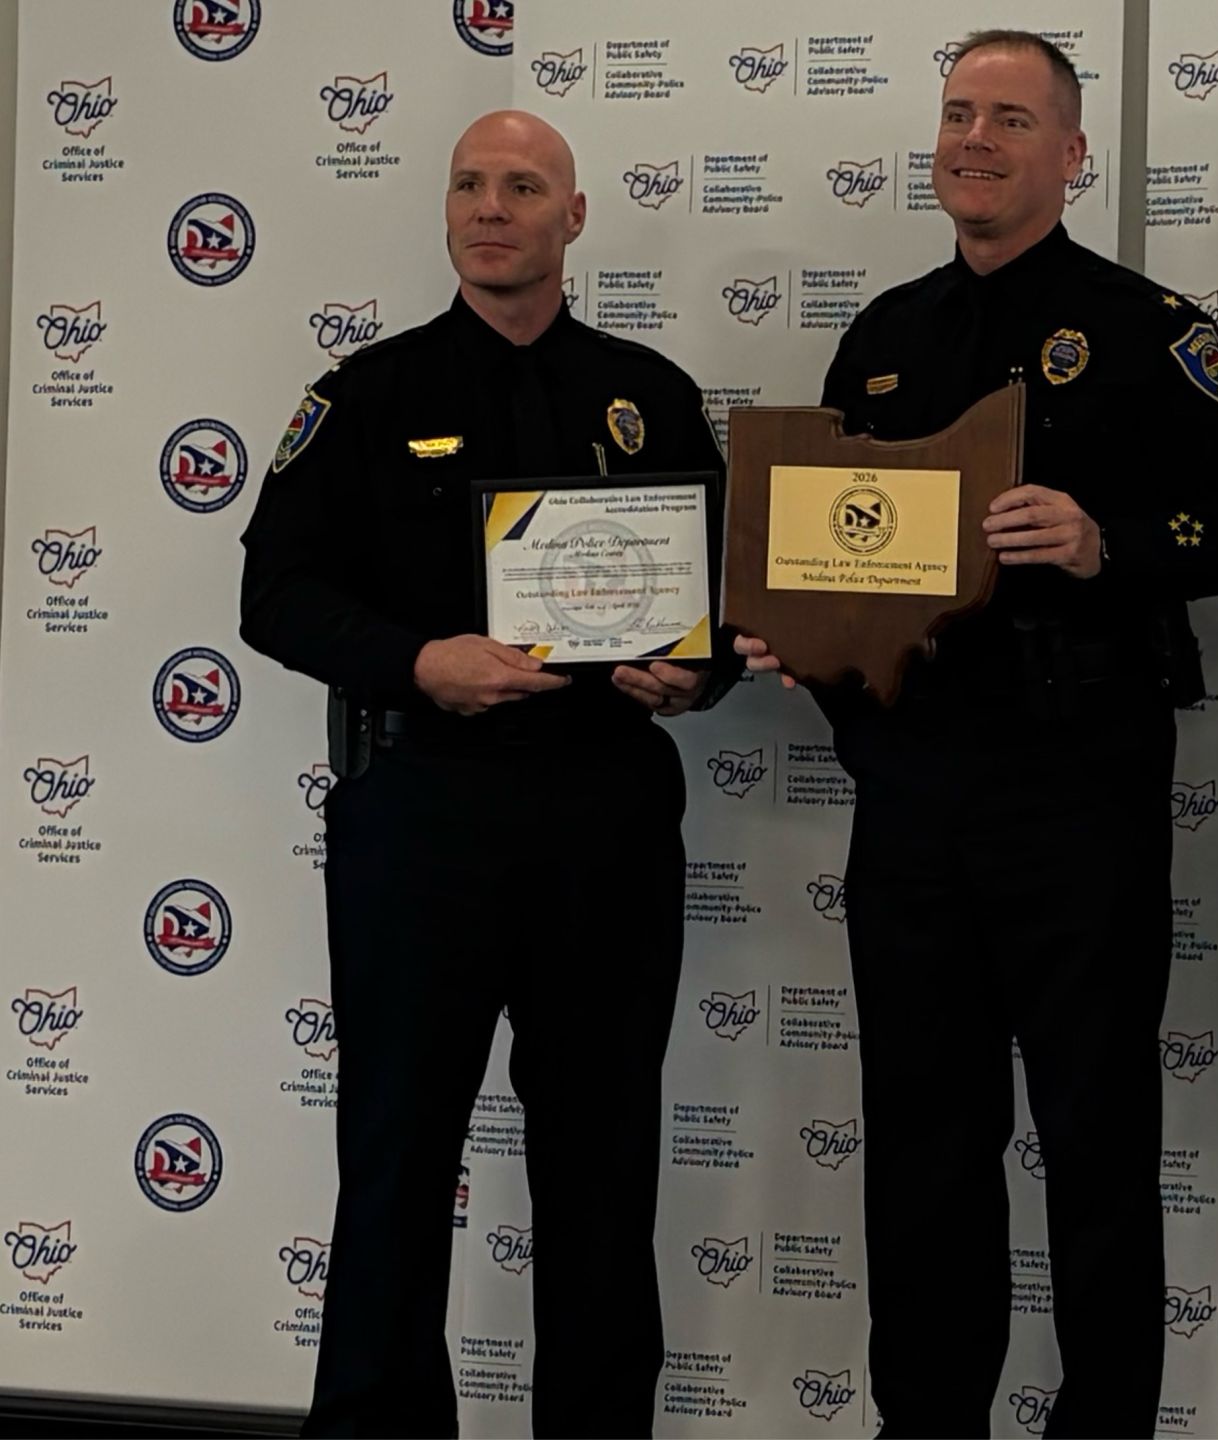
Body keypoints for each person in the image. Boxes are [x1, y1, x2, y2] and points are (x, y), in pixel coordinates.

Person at [737, 30, 1218, 1437]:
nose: (973, 139)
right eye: (957, 113)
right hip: (913, 794)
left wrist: (1106, 542)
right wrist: (797, 642)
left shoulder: (1149, 323)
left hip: (1076, 785)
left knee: (1096, 1140)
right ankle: (926, 1421)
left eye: (1010, 118)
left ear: (1072, 152)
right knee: (923, 1145)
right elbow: (832, 558)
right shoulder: (885, 335)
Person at [240, 110, 730, 1437]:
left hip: (604, 816)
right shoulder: (366, 396)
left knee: (602, 1162)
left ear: (574, 218)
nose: (491, 207)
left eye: (523, 186)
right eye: (469, 185)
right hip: (424, 810)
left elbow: (713, 623)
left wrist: (695, 677)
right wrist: (419, 661)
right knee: (398, 1158)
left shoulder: (653, 397)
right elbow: (275, 596)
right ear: (446, 212)